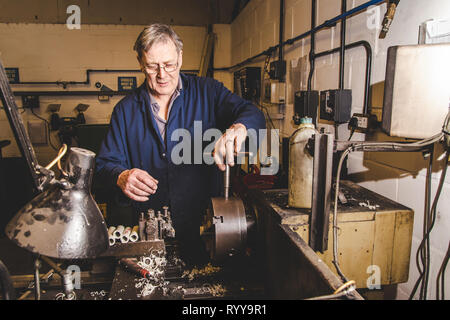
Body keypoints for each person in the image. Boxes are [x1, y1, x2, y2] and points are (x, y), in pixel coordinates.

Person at [95, 24, 265, 263]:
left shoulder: (209, 92)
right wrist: (120, 175)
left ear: (181, 58)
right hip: (152, 236)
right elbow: (104, 165)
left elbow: (251, 113)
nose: (162, 75)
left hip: (209, 232)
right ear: (140, 62)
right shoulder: (125, 111)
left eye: (169, 64)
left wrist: (240, 128)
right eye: (153, 66)